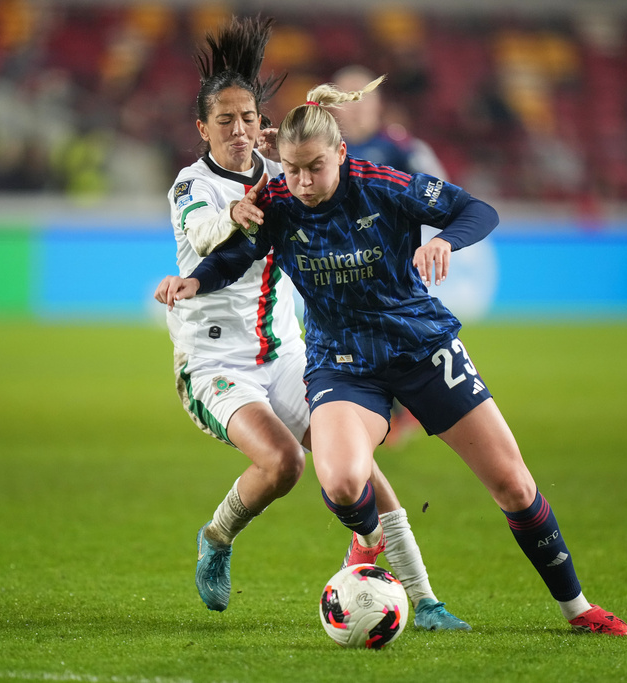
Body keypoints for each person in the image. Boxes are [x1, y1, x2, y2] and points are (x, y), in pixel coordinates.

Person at [156, 76, 627, 636]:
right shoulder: (279, 203)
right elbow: (234, 256)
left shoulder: (384, 185)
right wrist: (195, 280)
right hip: (342, 363)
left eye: (315, 167)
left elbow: (476, 210)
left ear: (341, 152)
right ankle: (371, 548)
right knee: (339, 482)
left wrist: (443, 241)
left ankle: (579, 610)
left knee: (514, 486)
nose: (303, 182)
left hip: (421, 346)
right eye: (291, 169)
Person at [158, 16, 469, 631]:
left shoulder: (284, 175)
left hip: (285, 352)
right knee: (283, 464)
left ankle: (425, 598)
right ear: (202, 128)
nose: (240, 130)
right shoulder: (190, 186)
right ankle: (217, 538)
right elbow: (200, 232)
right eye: (225, 120)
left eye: (248, 118)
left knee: (362, 470)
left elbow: (334, 176)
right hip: (214, 363)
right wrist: (236, 218)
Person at [331, 64, 447, 446]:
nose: (358, 106)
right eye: (349, 98)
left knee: (394, 334)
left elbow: (439, 190)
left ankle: (404, 407)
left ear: (379, 104)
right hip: (338, 267)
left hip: (390, 269)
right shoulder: (322, 152)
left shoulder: (401, 148)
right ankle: (385, 409)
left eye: (365, 96)